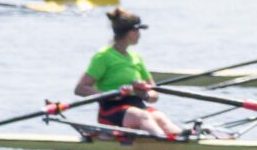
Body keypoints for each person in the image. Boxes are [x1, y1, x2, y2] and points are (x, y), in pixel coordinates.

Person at [75, 9, 182, 138]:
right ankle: (164, 141)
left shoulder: (136, 57)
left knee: (160, 117)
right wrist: (109, 95)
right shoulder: (103, 56)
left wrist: (144, 94)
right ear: (132, 32)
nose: (140, 35)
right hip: (111, 110)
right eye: (138, 31)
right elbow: (80, 89)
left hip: (137, 106)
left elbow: (155, 94)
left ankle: (183, 139)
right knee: (142, 116)